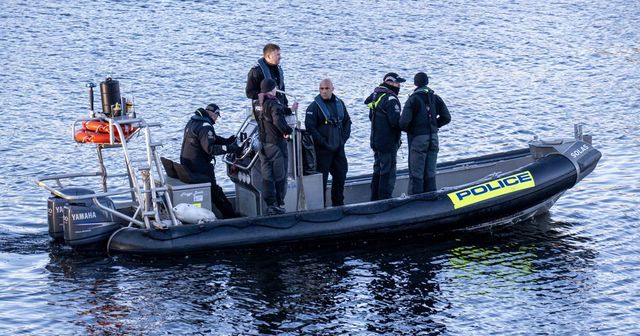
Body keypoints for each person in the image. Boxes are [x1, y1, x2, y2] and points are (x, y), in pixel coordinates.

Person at [180, 103, 241, 219]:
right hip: (199, 167)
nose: (217, 119)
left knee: (214, 191)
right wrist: (231, 148)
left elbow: (211, 139)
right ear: (214, 114)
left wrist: (226, 141)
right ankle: (231, 216)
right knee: (215, 191)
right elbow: (210, 148)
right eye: (217, 116)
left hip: (188, 165)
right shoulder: (205, 126)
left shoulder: (194, 121)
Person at [400, 72, 451, 194]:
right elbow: (446, 117)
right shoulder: (435, 98)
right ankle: (431, 198)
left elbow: (403, 123)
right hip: (433, 138)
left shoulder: (413, 99)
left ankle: (415, 203)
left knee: (416, 173)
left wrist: (413, 129)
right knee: (430, 171)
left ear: (415, 83)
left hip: (418, 139)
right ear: (427, 82)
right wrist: (434, 125)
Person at [305, 78, 352, 206]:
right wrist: (323, 142)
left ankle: (338, 204)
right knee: (322, 180)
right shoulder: (313, 107)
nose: (324, 91)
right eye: (321, 89)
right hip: (323, 150)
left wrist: (343, 139)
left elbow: (347, 122)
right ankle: (322, 207)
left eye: (326, 88)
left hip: (338, 148)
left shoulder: (340, 103)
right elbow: (310, 128)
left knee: (341, 175)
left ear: (332, 89)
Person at [364, 72, 405, 201]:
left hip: (376, 141)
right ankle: (385, 200)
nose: (399, 86)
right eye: (396, 83)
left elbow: (371, 117)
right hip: (388, 143)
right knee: (388, 171)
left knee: (378, 169)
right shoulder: (391, 99)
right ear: (389, 82)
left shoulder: (376, 96)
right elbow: (396, 122)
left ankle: (374, 199)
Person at [256, 78, 293, 215]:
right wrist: (288, 131)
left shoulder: (257, 103)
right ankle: (279, 203)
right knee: (280, 175)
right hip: (275, 145)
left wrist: (288, 109)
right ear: (273, 89)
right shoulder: (274, 104)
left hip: (262, 144)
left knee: (267, 175)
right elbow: (278, 121)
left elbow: (269, 114)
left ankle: (270, 204)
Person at [245, 43, 298, 115]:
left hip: (279, 109)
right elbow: (249, 93)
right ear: (268, 56)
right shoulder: (256, 71)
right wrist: (266, 95)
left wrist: (287, 108)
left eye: (280, 54)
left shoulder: (279, 70)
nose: (280, 57)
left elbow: (282, 90)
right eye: (277, 55)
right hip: (265, 111)